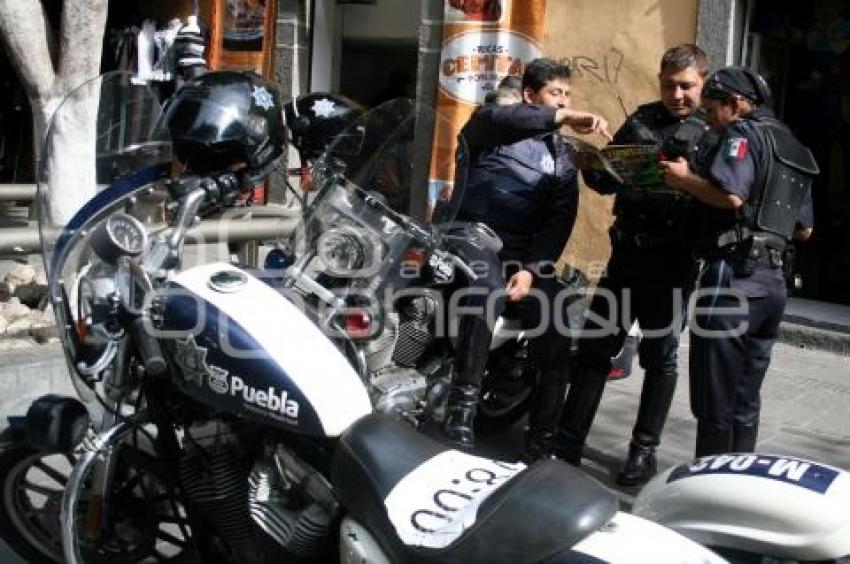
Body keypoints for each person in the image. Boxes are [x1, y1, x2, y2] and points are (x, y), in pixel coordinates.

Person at [551, 44, 718, 486]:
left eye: (686, 86)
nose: (677, 94)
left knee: (659, 359)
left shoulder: (714, 132)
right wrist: (593, 166)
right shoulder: (642, 118)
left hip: (674, 261)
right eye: (669, 85)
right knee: (594, 351)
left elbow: (723, 195)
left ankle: (642, 453)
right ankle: (566, 443)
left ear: (703, 81)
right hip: (626, 256)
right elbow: (607, 181)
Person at [442, 57, 612, 455]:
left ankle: (542, 439)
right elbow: (507, 120)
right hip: (471, 235)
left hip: (524, 253)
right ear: (529, 96)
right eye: (555, 94)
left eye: (568, 95)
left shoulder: (562, 158)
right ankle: (460, 411)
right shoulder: (489, 126)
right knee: (485, 287)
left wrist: (534, 271)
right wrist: (565, 117)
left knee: (556, 323)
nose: (564, 102)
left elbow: (559, 220)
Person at [661, 67, 817, 457]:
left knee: (715, 401)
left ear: (737, 104)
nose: (709, 119)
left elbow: (730, 195)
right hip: (774, 284)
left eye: (713, 109)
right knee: (746, 399)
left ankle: (707, 489)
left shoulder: (742, 134)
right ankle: (739, 478)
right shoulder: (796, 148)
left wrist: (681, 180)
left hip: (734, 280)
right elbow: (803, 230)